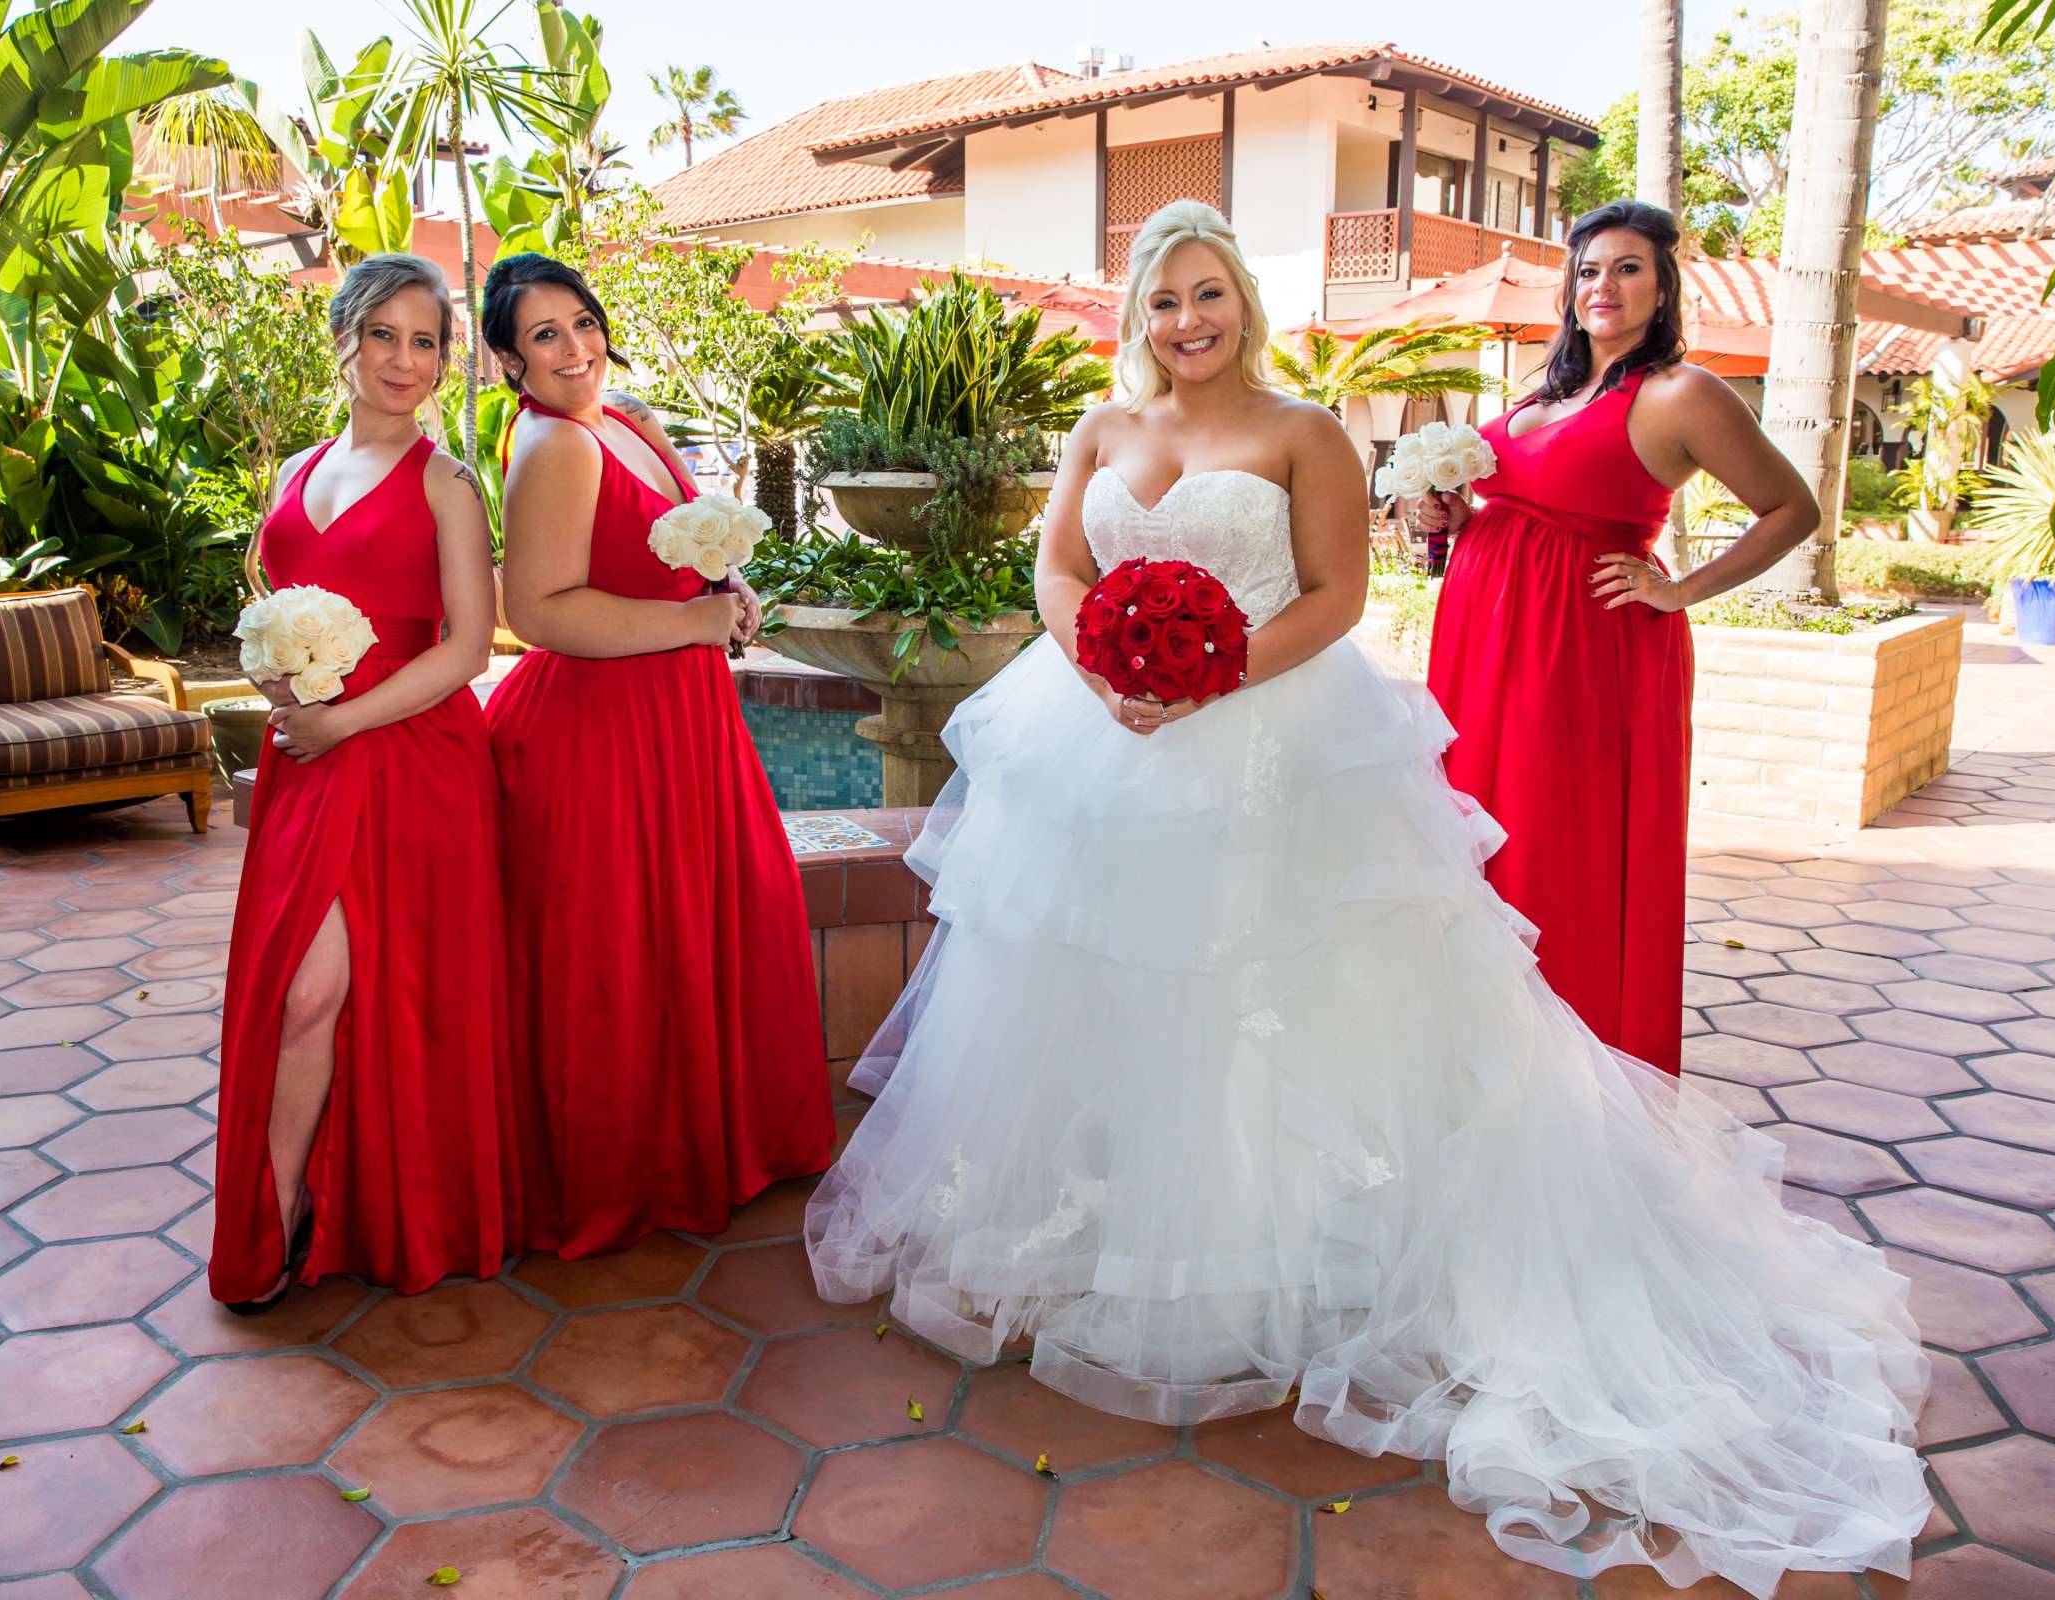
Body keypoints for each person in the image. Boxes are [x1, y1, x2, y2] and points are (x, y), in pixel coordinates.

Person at [804, 200, 1926, 1598]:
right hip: (1102, 730)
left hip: (1270, 738)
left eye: (1210, 296)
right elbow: (1058, 566)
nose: (1188, 322)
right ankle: (1099, 1231)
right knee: (1100, 981)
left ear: (1244, 306)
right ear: (1139, 315)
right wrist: (1102, 666)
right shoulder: (1102, 432)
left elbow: (1334, 596)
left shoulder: (1304, 432)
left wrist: (1210, 674)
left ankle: (1259, 1260)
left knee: (1262, 993)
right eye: (1165, 302)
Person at [480, 252, 834, 1258]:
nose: (574, 347)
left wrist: (729, 597)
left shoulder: (624, 418)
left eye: (582, 321)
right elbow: (537, 612)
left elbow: (671, 554)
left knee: (706, 925)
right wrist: (692, 627)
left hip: (680, 718)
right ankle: (630, 1170)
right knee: (622, 957)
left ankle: (712, 1144)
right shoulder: (554, 447)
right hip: (602, 736)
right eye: (544, 335)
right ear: (510, 359)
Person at [1414, 199, 1819, 1075]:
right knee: (1471, 836)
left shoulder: (1684, 393)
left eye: (1630, 268)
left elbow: (1793, 509)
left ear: (1665, 288)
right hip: (1483, 645)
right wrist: (1449, 515)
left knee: (1552, 851)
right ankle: (1475, 1058)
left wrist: (1677, 590)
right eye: (1591, 270)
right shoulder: (1544, 392)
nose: (1606, 285)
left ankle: (1568, 1078)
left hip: (1579, 657)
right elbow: (1508, 511)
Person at [211, 253, 512, 1310]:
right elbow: (272, 605)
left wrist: (342, 719)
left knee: (354, 990)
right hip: (313, 753)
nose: (403, 359)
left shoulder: (447, 483)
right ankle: (282, 1210)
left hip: (414, 753)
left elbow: (470, 647)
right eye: (384, 333)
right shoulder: (294, 470)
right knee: (302, 989)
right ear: (343, 336)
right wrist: (280, 681)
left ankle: (351, 1205)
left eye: (425, 340)